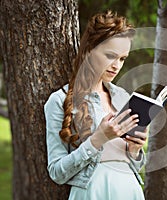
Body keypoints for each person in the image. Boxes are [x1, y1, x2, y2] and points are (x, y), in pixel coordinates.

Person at [44, 10, 147, 200]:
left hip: (129, 190)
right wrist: (97, 139)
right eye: (110, 55)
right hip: (93, 191)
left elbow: (133, 165)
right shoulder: (59, 100)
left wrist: (135, 150)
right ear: (89, 50)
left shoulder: (122, 97)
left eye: (122, 59)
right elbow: (57, 172)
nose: (117, 65)